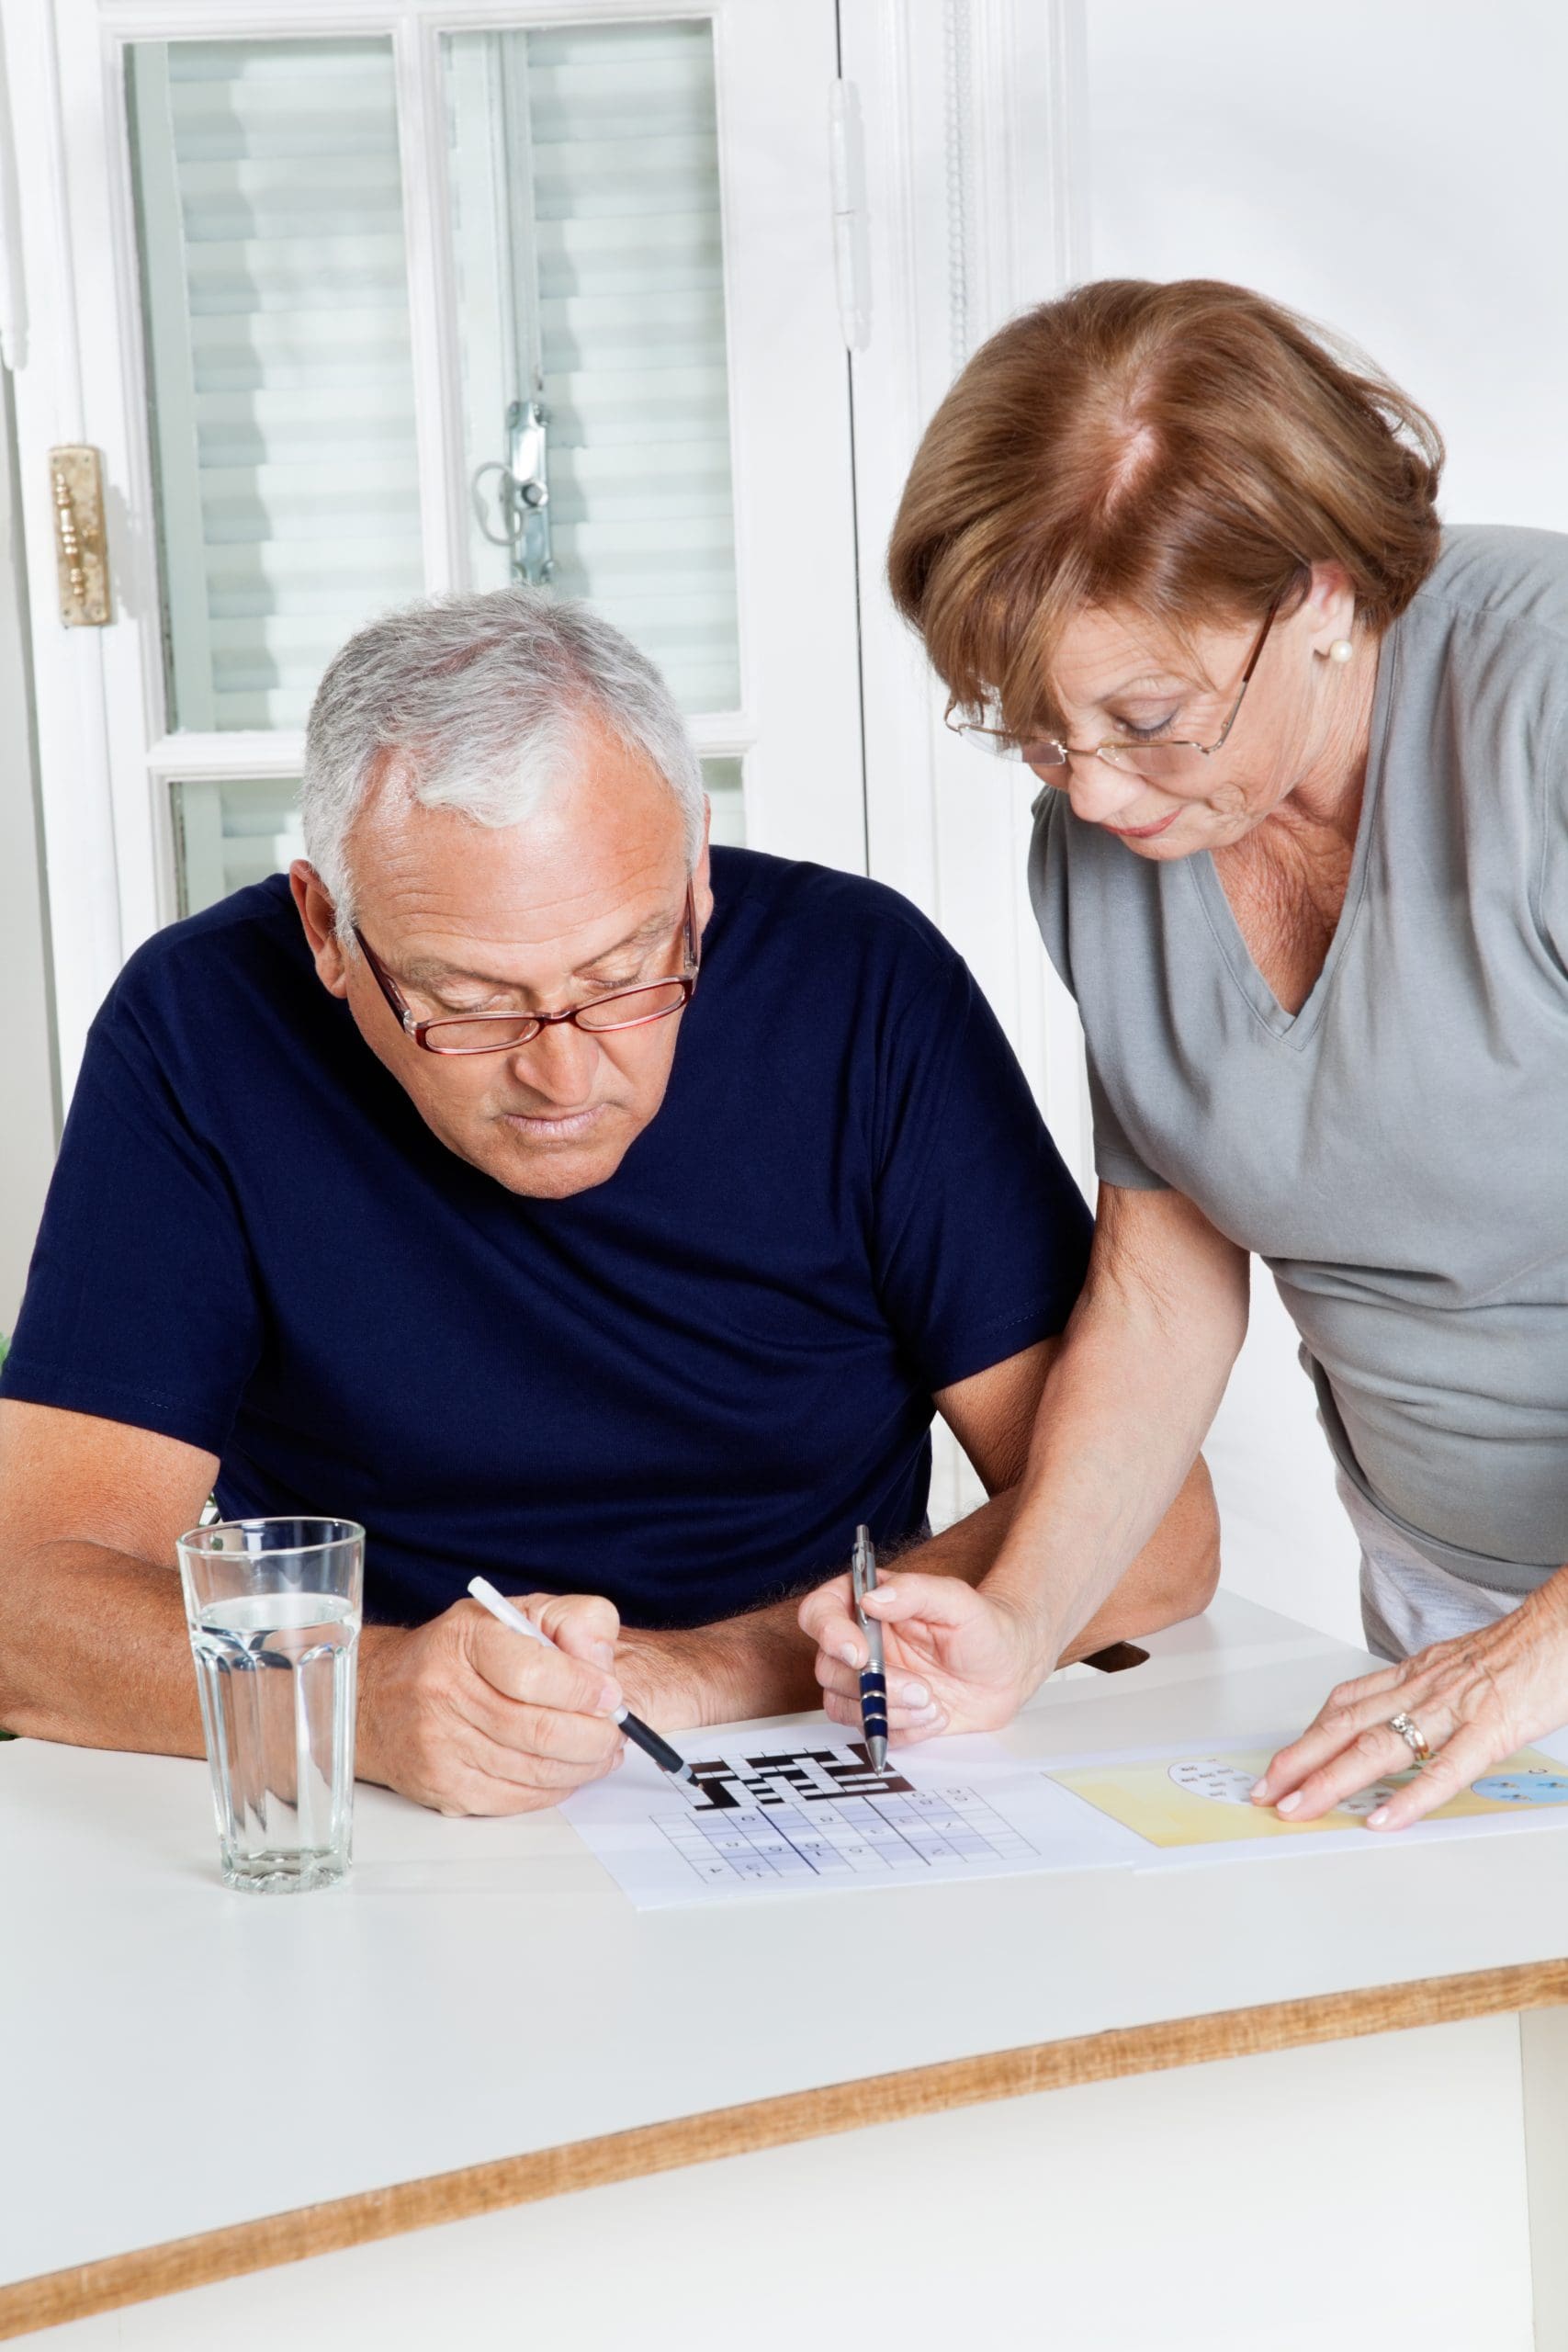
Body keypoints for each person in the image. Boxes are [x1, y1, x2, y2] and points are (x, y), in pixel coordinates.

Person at [0, 587, 1217, 1815]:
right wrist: (373, 1697)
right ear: (328, 927)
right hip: (385, 1788)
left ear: (693, 878)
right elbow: (23, 1606)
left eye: (626, 975)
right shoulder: (200, 1029)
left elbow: (1159, 1536)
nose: (562, 1074)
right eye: (468, 1001)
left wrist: (692, 1673)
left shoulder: (861, 989)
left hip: (819, 1754)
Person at [802, 277, 1568, 1834]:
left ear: (1329, 596)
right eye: (1029, 731)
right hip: (1444, 1607)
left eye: (1149, 718)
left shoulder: (1540, 709)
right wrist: (1023, 1620)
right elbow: (1162, 1284)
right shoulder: (1101, 850)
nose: (1090, 798)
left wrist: (1548, 1647)